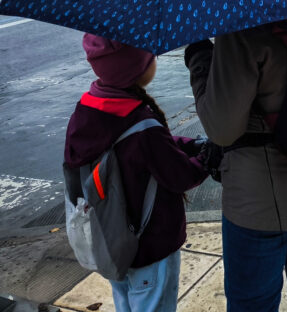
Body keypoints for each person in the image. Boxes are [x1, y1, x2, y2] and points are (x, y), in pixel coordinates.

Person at [185, 9, 287, 312]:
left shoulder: (242, 20)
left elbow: (222, 127)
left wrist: (199, 56)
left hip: (261, 194)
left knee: (252, 301)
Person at [64, 35, 208, 312]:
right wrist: (205, 159)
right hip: (151, 246)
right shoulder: (143, 125)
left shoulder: (87, 109)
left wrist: (189, 145)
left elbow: (141, 149)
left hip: (112, 242)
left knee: (125, 303)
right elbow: (180, 175)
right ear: (137, 68)